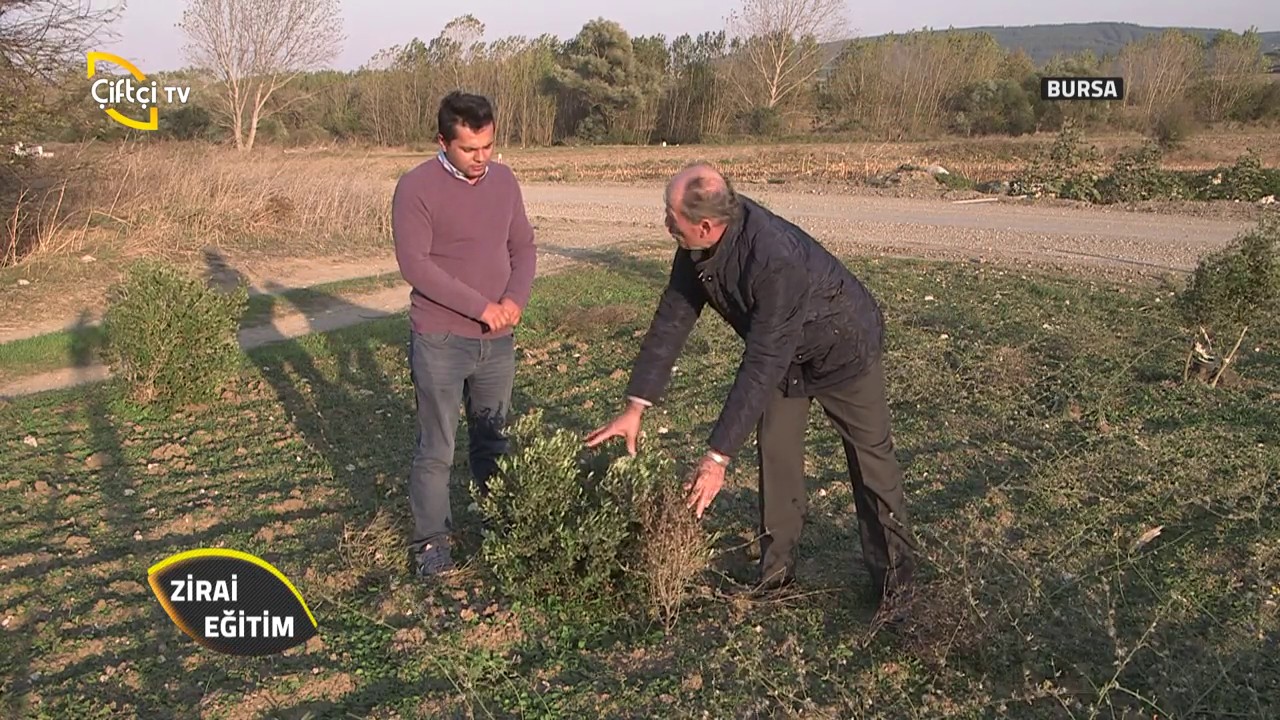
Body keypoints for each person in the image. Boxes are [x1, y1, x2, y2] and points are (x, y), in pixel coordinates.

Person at [585, 162, 918, 617]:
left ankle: (897, 588)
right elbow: (673, 317)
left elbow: (761, 363)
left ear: (706, 224)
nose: (664, 222)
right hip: (786, 357)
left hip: (843, 346)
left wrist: (716, 457)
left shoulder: (772, 259)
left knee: (871, 465)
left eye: (670, 214)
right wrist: (635, 405)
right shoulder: (697, 248)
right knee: (777, 458)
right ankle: (777, 576)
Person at [391, 90, 536, 578]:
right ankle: (431, 544)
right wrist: (482, 307)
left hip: (496, 342)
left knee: (493, 439)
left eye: (488, 147)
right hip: (440, 339)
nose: (481, 159)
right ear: (442, 141)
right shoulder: (416, 188)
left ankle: (501, 526)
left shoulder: (504, 180)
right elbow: (416, 266)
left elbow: (524, 247)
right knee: (438, 449)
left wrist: (514, 300)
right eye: (469, 149)